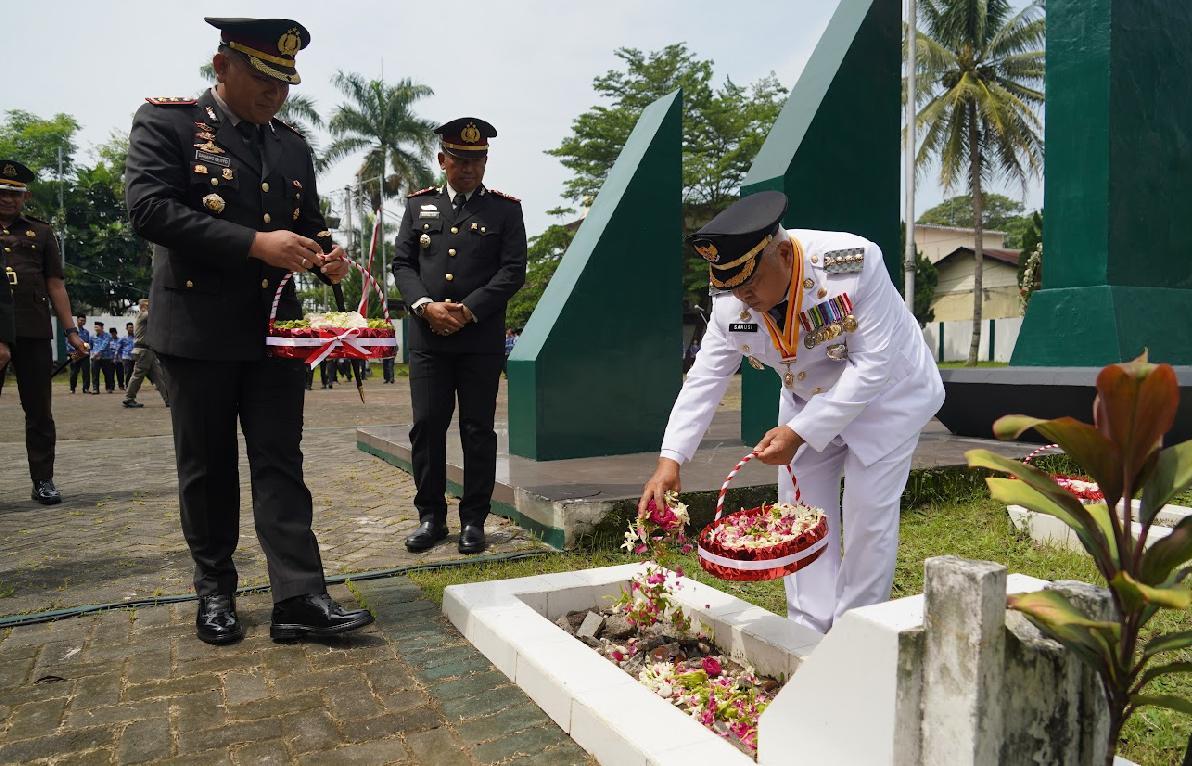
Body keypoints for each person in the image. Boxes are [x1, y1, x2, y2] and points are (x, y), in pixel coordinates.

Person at [125, 17, 373, 645]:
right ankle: (215, 591)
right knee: (207, 468)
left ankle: (299, 597)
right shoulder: (170, 125)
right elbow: (149, 210)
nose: (276, 93)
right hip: (198, 333)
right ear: (222, 67)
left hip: (274, 336)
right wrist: (255, 244)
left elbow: (311, 222)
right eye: (264, 79)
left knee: (280, 463)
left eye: (285, 82)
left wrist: (327, 253)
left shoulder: (291, 144)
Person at [639, 192, 944, 634]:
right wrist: (671, 461)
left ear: (783, 253)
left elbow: (872, 366)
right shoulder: (732, 304)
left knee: (867, 518)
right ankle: (808, 629)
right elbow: (706, 378)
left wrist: (800, 432)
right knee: (799, 515)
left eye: (750, 284)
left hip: (886, 400)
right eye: (731, 287)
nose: (744, 298)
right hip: (806, 402)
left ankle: (856, 635)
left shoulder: (853, 266)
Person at [392, 117, 527, 555]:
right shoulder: (418, 206)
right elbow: (402, 265)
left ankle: (474, 521)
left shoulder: (505, 210)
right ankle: (430, 518)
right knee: (427, 427)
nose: (468, 168)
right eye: (459, 159)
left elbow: (512, 271)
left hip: (478, 339)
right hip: (429, 338)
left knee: (477, 429)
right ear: (441, 160)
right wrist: (424, 306)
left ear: (485, 161)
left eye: (477, 160)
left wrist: (468, 310)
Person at [0, 160, 89, 504]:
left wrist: (70, 331)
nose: (9, 199)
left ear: (26, 196)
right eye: (3, 192)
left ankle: (43, 480)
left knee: (39, 411)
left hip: (33, 330)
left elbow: (55, 285)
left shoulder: (41, 232)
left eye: (15, 193)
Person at [123, 299, 168, 408]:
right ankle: (129, 398)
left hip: (148, 351)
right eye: (149, 305)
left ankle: (169, 400)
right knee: (138, 375)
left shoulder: (146, 317)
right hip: (143, 351)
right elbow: (157, 314)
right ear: (143, 306)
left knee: (159, 377)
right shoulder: (143, 315)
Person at [89, 321, 115, 393]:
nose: (96, 328)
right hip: (95, 358)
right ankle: (95, 389)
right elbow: (90, 346)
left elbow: (105, 345)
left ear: (102, 327)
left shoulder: (108, 336)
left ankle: (109, 388)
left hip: (106, 357)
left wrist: (97, 353)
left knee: (107, 373)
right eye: (95, 327)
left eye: (98, 327)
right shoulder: (92, 336)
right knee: (95, 374)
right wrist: (92, 354)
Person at [69, 315, 92, 393]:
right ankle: (72, 388)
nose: (82, 322)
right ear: (77, 320)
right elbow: (68, 342)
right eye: (80, 320)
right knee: (74, 372)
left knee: (86, 372)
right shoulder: (72, 331)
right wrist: (74, 351)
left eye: (83, 321)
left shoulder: (86, 332)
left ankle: (86, 388)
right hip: (75, 353)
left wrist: (87, 350)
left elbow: (87, 343)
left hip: (84, 354)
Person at [119, 322, 136, 388]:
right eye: (129, 328)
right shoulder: (123, 338)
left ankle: (132, 385)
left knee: (134, 372)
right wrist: (118, 356)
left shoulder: (136, 337)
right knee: (128, 371)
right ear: (126, 328)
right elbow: (119, 347)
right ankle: (127, 385)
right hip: (126, 357)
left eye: (132, 327)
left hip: (134, 357)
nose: (131, 329)